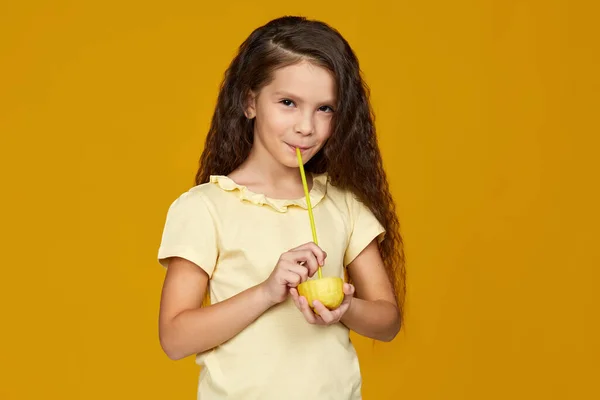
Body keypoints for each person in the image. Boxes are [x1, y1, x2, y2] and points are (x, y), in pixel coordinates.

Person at [156, 15, 406, 400]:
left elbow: (387, 321)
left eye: (325, 109)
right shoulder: (205, 208)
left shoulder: (344, 205)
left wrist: (345, 305)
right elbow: (174, 338)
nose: (307, 126)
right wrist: (267, 292)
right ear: (250, 101)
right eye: (288, 103)